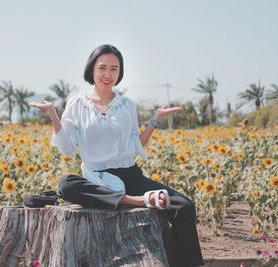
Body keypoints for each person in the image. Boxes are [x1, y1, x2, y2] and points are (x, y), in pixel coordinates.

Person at [27, 44, 204, 267]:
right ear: (92, 70)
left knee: (184, 207)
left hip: (131, 177)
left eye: (114, 69)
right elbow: (68, 148)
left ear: (120, 73)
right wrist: (53, 115)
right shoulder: (77, 104)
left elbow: (133, 148)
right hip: (97, 178)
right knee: (66, 185)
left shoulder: (126, 105)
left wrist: (155, 120)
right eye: (102, 68)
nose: (108, 74)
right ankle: (138, 201)